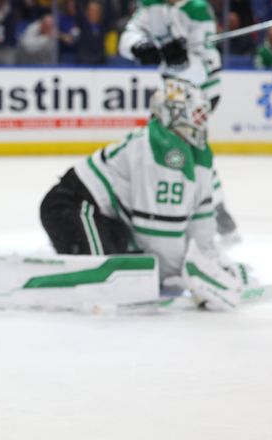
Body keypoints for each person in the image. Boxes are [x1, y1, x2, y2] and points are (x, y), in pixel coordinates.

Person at [31, 78, 248, 311]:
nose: (201, 122)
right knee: (105, 277)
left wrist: (211, 261)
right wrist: (180, 276)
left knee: (133, 270)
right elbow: (158, 233)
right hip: (72, 207)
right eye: (194, 114)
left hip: (109, 220)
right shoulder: (158, 150)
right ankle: (36, 280)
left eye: (202, 114)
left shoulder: (197, 154)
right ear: (171, 114)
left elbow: (202, 218)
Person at [118, 0, 239, 241]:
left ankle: (213, 209)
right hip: (171, 91)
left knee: (187, 148)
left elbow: (207, 64)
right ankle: (213, 211)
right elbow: (131, 32)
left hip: (200, 94)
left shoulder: (199, 10)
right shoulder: (150, 1)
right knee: (178, 148)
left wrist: (181, 61)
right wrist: (139, 46)